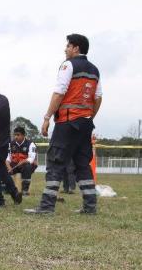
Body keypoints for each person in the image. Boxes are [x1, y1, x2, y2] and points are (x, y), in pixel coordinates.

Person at [26, 34, 102, 215]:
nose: (65, 49)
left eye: (68, 46)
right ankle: (90, 207)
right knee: (82, 164)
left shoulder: (68, 65)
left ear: (76, 48)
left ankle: (46, 207)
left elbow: (59, 92)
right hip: (85, 124)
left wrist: (47, 117)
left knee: (56, 162)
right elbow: (98, 98)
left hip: (67, 122)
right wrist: (89, 117)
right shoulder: (95, 70)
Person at [6, 126, 38, 195]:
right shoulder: (11, 144)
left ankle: (25, 190)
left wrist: (24, 161)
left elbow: (32, 158)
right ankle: (6, 189)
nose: (16, 137)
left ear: (23, 135)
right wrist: (8, 167)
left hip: (26, 165)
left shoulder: (31, 144)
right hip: (15, 165)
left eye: (18, 135)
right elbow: (8, 158)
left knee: (27, 166)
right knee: (3, 168)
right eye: (15, 135)